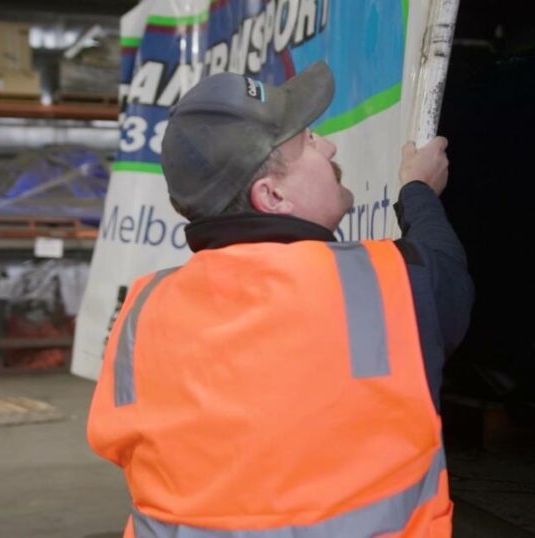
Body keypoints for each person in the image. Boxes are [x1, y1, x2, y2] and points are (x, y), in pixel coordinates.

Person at [88, 60, 473, 538]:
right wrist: (418, 190)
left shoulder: (142, 310)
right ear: (271, 196)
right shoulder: (380, 282)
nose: (329, 146)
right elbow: (447, 273)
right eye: (309, 142)